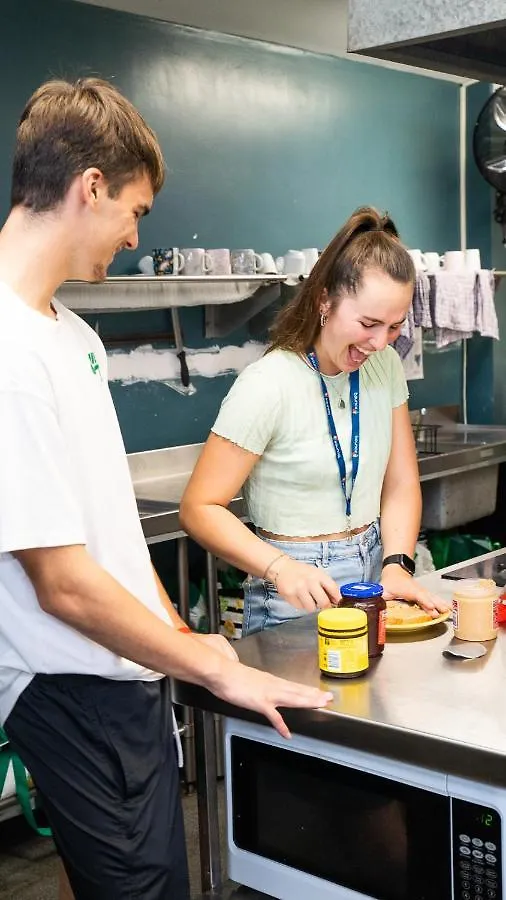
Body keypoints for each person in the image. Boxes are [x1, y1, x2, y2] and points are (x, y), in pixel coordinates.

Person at [0, 77, 333, 900]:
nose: (131, 232)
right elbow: (63, 584)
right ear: (89, 188)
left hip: (128, 676)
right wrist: (206, 666)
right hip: (74, 693)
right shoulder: (7, 350)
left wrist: (185, 638)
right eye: (135, 210)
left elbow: (109, 520)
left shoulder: (67, 332)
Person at [180, 207, 450, 635]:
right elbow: (199, 508)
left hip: (374, 571)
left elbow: (400, 483)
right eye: (368, 323)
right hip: (295, 593)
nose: (380, 342)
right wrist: (280, 568)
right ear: (325, 300)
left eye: (395, 326)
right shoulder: (269, 383)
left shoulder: (385, 369)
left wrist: (397, 564)